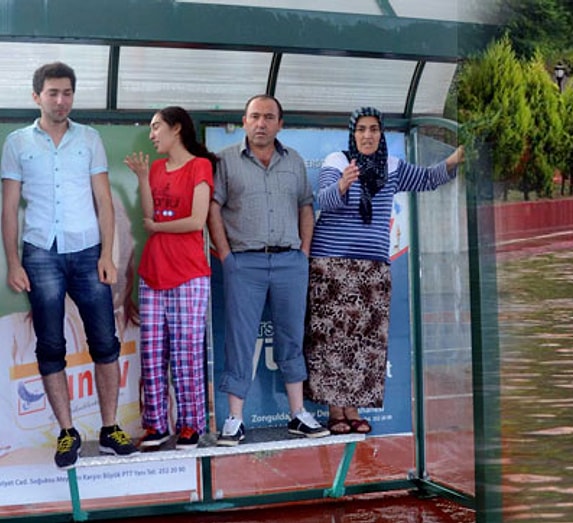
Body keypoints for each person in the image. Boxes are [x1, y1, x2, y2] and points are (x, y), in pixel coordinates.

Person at [0, 61, 138, 469]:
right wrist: (13, 262)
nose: (61, 101)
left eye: (67, 93)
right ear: (36, 96)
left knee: (105, 342)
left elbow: (104, 202)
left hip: (87, 251)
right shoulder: (17, 143)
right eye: (53, 93)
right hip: (40, 252)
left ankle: (110, 429)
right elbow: (9, 209)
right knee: (50, 346)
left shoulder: (89, 139)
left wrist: (107, 255)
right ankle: (67, 432)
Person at [305, 106, 464, 434]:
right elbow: (323, 201)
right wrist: (344, 185)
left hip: (374, 267)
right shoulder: (338, 162)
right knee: (334, 340)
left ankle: (353, 408)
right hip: (332, 265)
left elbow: (429, 179)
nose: (367, 135)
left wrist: (459, 157)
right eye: (361, 129)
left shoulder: (392, 166)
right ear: (353, 133)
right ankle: (336, 411)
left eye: (374, 129)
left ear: (382, 133)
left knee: (365, 341)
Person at [207, 94, 329, 446]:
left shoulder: (294, 162)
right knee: (240, 339)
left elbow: (306, 206)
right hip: (244, 262)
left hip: (291, 261)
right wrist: (226, 256)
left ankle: (298, 415)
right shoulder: (226, 161)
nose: (261, 123)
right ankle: (234, 420)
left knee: (291, 336)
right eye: (255, 116)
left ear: (280, 124)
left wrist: (303, 253)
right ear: (244, 121)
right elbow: (213, 210)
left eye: (268, 117)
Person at [124, 106, 214, 450]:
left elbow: (196, 221)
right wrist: (143, 179)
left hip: (189, 273)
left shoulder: (200, 166)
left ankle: (191, 424)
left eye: (156, 127)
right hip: (153, 271)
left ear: (176, 128)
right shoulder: (157, 167)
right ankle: (156, 425)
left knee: (187, 352)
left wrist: (159, 227)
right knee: (152, 352)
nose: (152, 135)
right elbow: (147, 216)